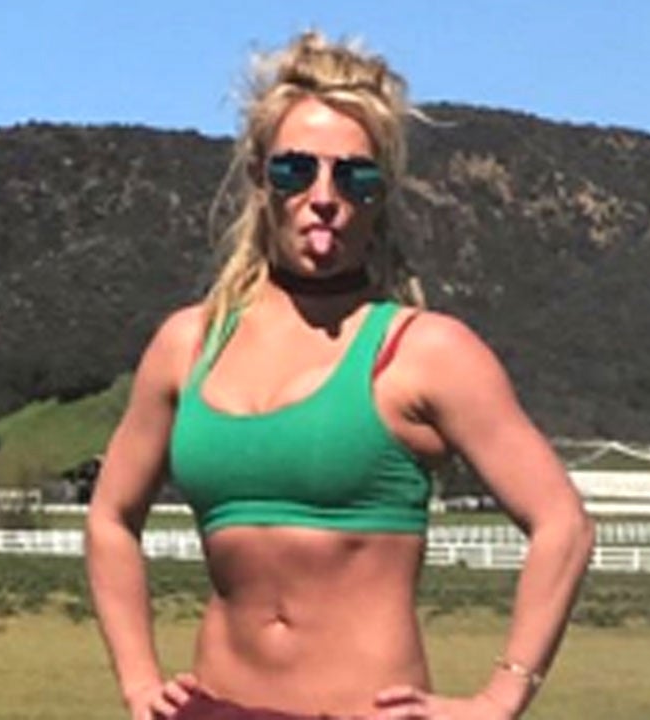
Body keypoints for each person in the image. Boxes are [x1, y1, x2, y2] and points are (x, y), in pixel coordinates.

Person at [85, 30, 593, 720]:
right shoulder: (188, 344)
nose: (323, 196)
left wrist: (500, 698)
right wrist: (139, 681)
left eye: (354, 176)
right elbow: (111, 518)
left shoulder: (426, 351)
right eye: (296, 170)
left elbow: (562, 523)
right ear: (260, 178)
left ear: (380, 194)